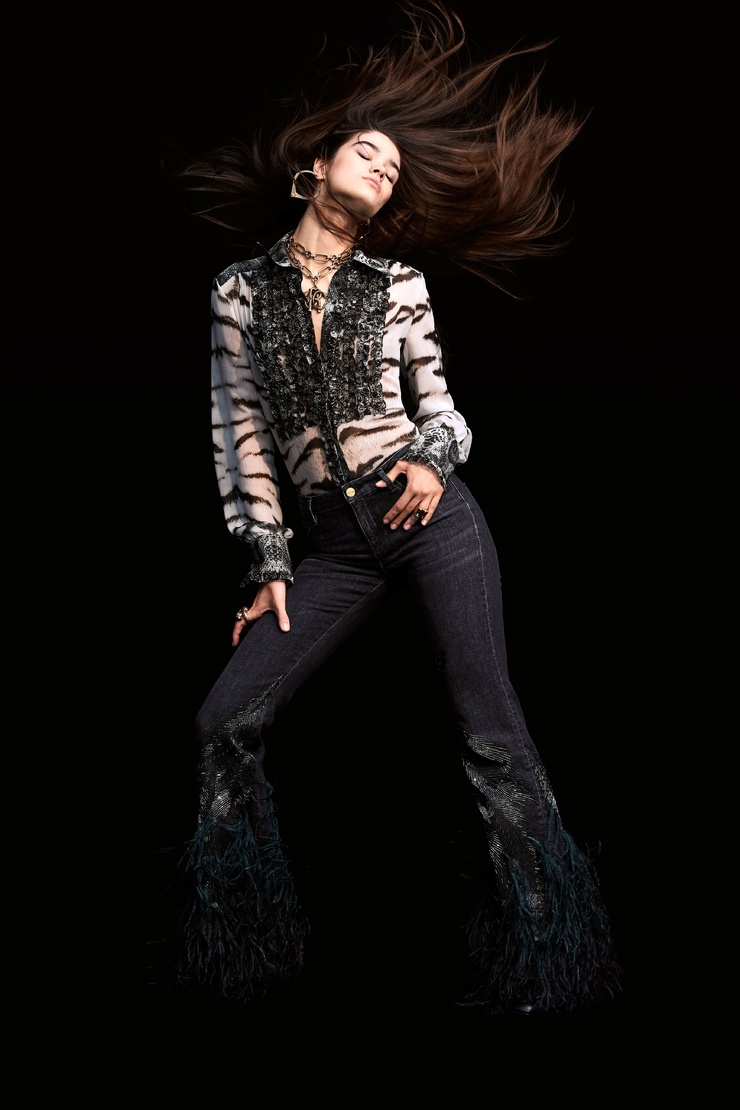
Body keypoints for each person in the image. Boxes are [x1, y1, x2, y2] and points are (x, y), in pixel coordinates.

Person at [172, 0, 622, 1016]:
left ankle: (552, 959)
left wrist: (427, 460)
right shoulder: (237, 292)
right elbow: (239, 436)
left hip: (430, 519)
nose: (383, 169)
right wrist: (269, 562)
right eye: (367, 152)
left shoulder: (400, 283)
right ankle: (242, 944)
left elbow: (446, 413)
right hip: (333, 545)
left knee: (489, 731)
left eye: (393, 170)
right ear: (316, 165)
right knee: (223, 719)